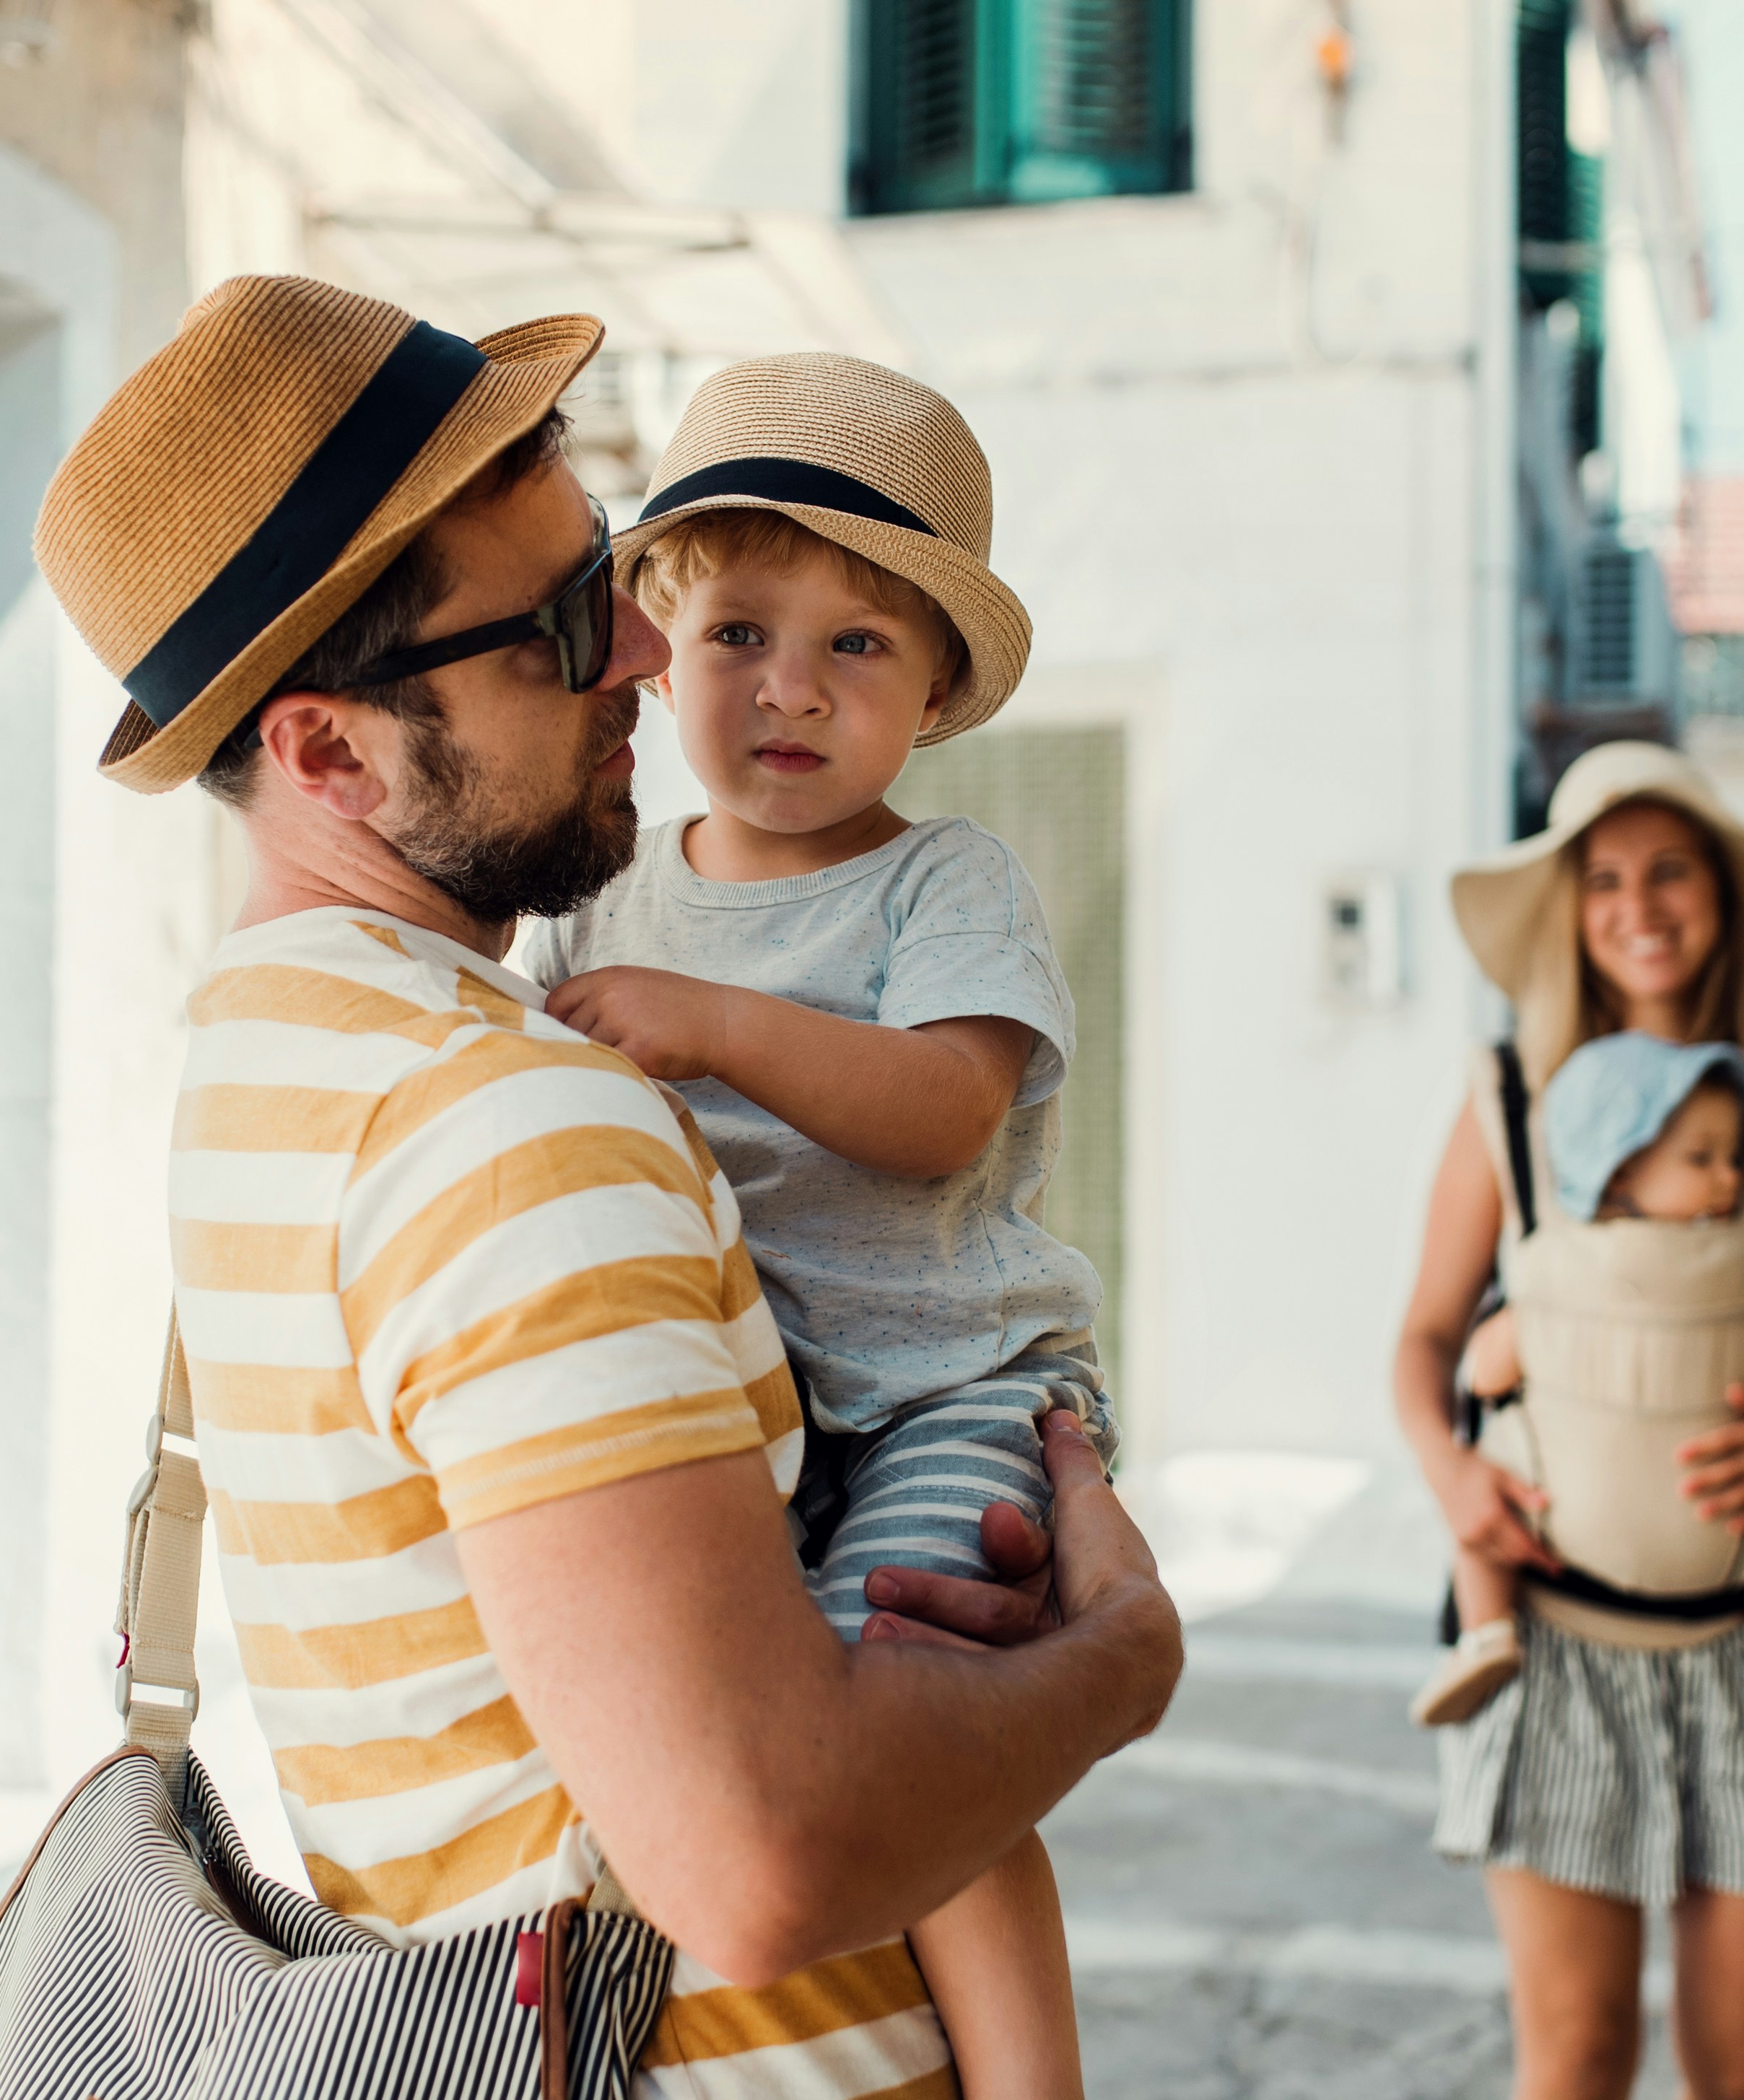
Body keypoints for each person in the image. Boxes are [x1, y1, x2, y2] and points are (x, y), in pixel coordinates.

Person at [32, 276, 1182, 2100]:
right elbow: (762, 1860)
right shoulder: (504, 1127)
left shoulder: (268, 1061)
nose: (649, 656)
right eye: (571, 620)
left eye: (611, 578)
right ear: (328, 749)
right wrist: (1120, 1661)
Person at [516, 352, 1107, 2099]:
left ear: (933, 691)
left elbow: (944, 1111)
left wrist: (714, 1025)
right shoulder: (607, 896)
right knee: (704, 1719)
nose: (789, 686)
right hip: (737, 1402)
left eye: (855, 643)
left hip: (946, 1389)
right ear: (659, 645)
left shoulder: (942, 881)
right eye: (738, 633)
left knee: (912, 1717)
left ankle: (1027, 2077)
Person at [1392, 741, 1744, 2100]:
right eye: (1604, 880)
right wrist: (1454, 1477)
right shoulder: (1508, 1105)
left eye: (1671, 871)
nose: (1638, 906)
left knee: (1742, 2074)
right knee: (1576, 2059)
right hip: (1553, 1657)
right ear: (1571, 913)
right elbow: (1424, 1341)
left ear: (1725, 895)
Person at [1410, 1031, 1744, 1731]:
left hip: (1602, 1545)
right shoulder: (1742, 1262)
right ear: (1616, 1169)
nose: (1730, 1179)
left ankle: (1486, 1631)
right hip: (1706, 1552)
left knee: (1485, 1513)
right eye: (1701, 1159)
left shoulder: (1552, 1260)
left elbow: (1486, 1367)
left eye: (1734, 1158)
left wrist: (1481, 1405)